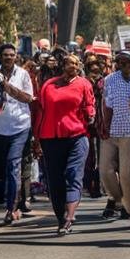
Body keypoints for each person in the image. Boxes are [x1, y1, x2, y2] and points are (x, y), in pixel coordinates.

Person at [31, 53, 95, 235]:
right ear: (62, 65)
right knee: (55, 179)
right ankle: (61, 217)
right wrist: (36, 139)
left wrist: (90, 115)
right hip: (50, 138)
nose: (72, 66)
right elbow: (40, 112)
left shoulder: (84, 84)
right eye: (68, 63)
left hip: (77, 136)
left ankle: (69, 217)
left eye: (75, 63)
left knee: (73, 174)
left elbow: (89, 105)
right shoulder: (49, 85)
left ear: (79, 66)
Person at [98, 51, 130, 226]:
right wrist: (104, 125)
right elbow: (105, 104)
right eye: (123, 62)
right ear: (118, 63)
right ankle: (117, 199)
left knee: (126, 173)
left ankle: (129, 208)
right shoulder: (110, 80)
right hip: (111, 131)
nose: (127, 65)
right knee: (105, 170)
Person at [0, 43, 35, 226]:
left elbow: (28, 98)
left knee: (13, 166)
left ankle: (11, 209)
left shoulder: (23, 74)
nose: (9, 57)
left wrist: (8, 87)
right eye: (5, 55)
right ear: (0, 57)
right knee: (1, 169)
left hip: (19, 126)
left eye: (12, 55)